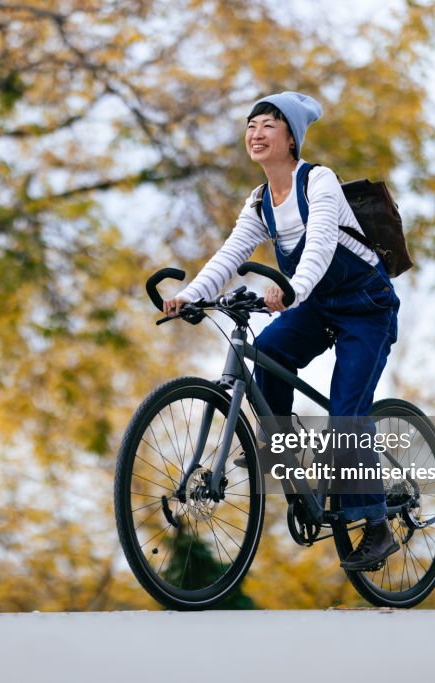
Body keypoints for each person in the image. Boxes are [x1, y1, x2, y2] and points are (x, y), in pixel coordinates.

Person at [163, 92, 400, 571]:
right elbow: (230, 254)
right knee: (267, 352)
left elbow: (319, 245)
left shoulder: (319, 182)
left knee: (345, 414)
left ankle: (375, 526)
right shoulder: (259, 202)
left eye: (269, 124)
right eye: (251, 125)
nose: (256, 132)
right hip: (314, 304)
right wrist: (191, 294)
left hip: (365, 308)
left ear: (291, 137)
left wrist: (291, 290)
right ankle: (283, 454)